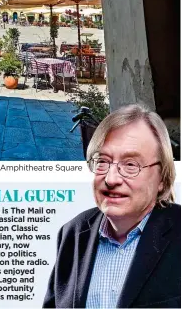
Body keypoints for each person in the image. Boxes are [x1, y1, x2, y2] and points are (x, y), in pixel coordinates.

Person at [43, 104, 180, 308]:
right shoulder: (72, 232)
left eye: (131, 165)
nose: (111, 178)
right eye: (103, 161)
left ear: (161, 177)